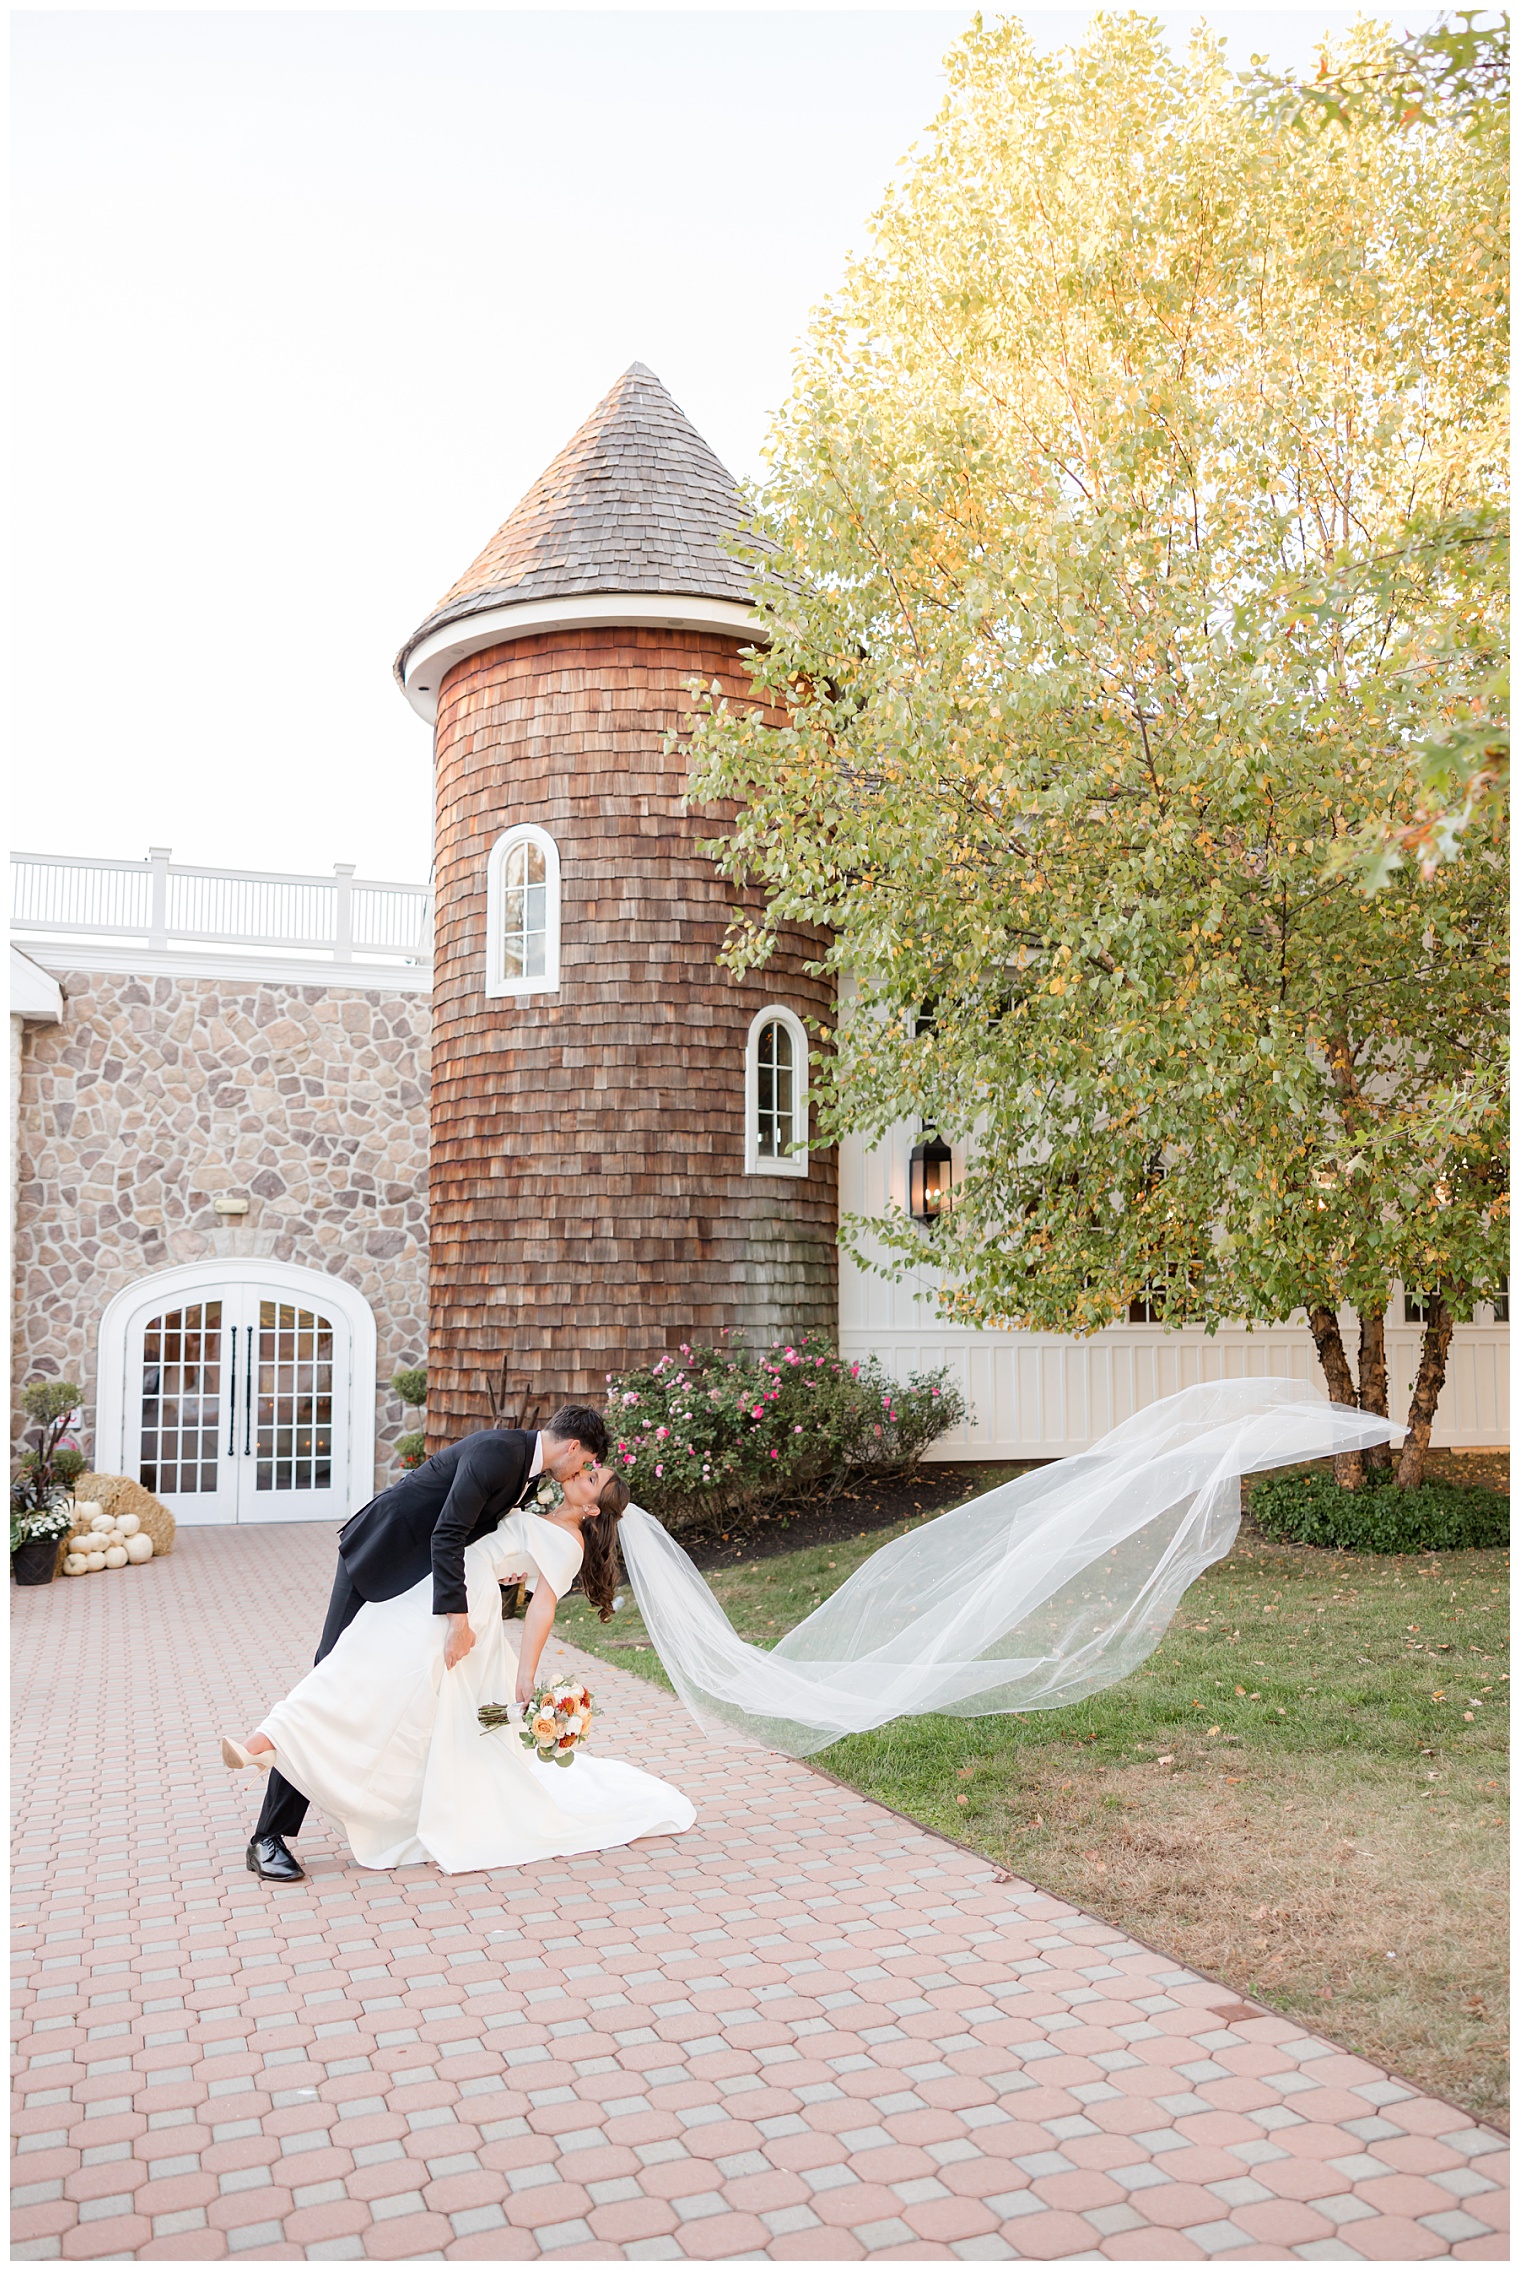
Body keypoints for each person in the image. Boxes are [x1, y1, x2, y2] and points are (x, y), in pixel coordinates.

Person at [225, 1458, 695, 1874]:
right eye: (587, 1466)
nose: (582, 1472)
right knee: (358, 1664)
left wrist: (525, 1674)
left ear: (593, 1509)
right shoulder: (535, 1497)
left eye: (592, 1477)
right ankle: (276, 1741)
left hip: (464, 1608)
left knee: (373, 1676)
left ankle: (276, 1742)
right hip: (437, 1588)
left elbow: (542, 1607)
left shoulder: (569, 1541)